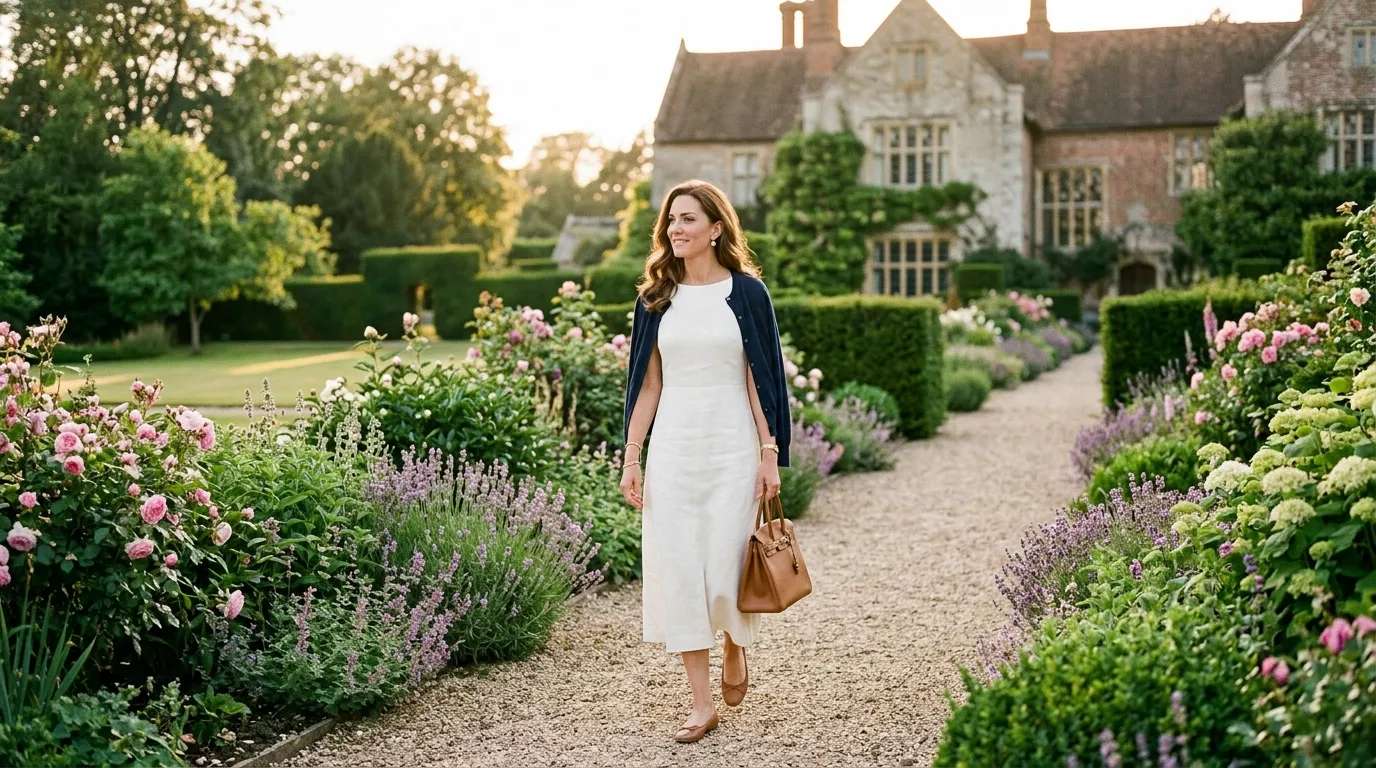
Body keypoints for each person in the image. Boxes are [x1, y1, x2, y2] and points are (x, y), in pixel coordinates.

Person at [619, 179, 793, 744]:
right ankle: (700, 703)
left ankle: (736, 643)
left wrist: (770, 452)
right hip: (673, 449)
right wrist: (632, 458)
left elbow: (760, 379)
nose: (676, 229)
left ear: (716, 228)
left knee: (725, 569)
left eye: (688, 219)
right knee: (681, 572)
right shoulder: (655, 298)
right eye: (671, 220)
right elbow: (646, 386)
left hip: (732, 448)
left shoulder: (746, 294)